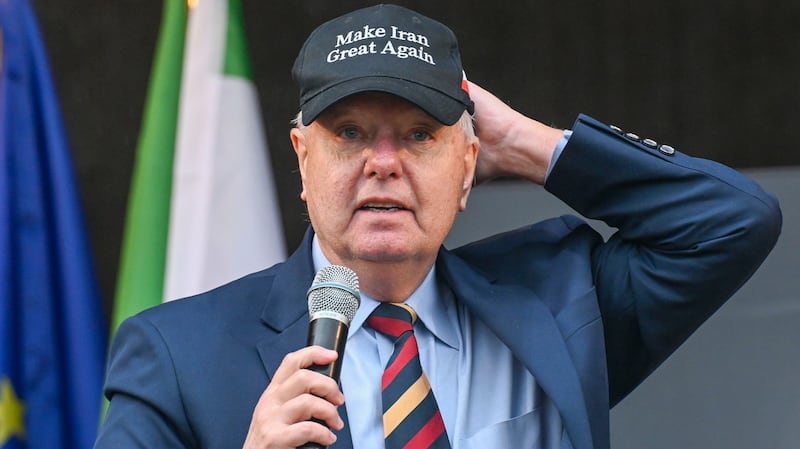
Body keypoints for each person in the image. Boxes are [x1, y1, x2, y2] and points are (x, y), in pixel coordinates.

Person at [94, 4, 782, 449]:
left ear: (468, 163)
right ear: (302, 160)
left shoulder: (561, 305)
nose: (384, 164)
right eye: (351, 133)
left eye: (420, 135)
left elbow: (732, 222)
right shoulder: (176, 355)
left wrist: (533, 146)